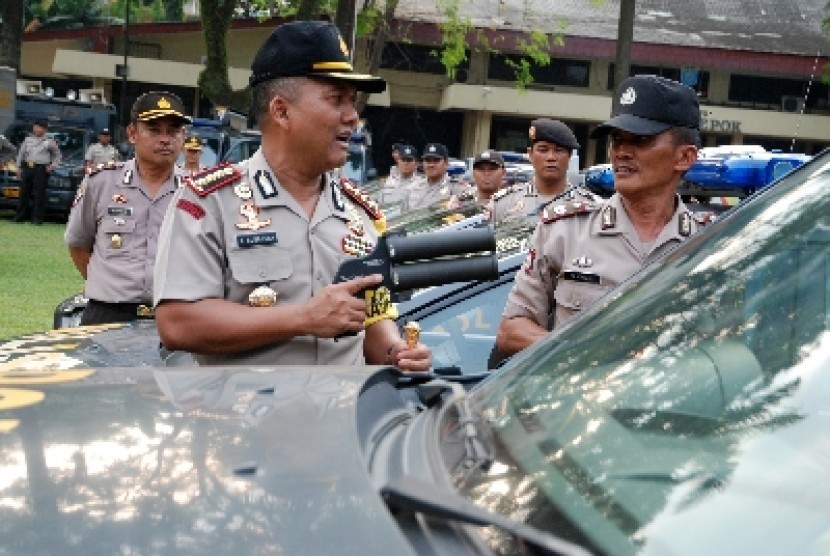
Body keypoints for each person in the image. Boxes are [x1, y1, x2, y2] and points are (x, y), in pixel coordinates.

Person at [153, 20, 432, 371]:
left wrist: (395, 352)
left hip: (340, 420)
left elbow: (372, 318)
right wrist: (302, 318)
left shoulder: (359, 212)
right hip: (244, 419)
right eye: (336, 100)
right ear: (281, 111)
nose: (352, 117)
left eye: (353, 102)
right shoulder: (208, 202)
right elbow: (177, 322)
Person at [496, 74, 711, 357]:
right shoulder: (565, 229)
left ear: (684, 157)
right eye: (617, 141)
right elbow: (511, 330)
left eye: (639, 140)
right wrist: (581, 353)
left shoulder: (711, 244)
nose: (621, 152)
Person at [64, 91, 190, 325]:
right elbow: (79, 244)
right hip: (107, 315)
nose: (165, 139)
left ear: (183, 136)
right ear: (132, 133)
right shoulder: (101, 182)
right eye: (154, 129)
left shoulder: (198, 191)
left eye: (173, 131)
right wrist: (107, 285)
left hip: (175, 316)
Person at [490, 118, 598, 225]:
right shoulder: (503, 203)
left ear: (569, 156)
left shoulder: (590, 206)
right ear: (530, 154)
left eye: (559, 150)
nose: (551, 157)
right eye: (543, 150)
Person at [14, 119, 61, 224]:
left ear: (44, 129)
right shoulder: (27, 140)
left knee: (39, 194)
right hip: (27, 167)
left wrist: (52, 166)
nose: (36, 129)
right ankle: (19, 217)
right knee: (24, 193)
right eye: (35, 127)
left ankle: (37, 219)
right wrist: (18, 168)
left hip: (41, 169)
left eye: (39, 127)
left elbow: (57, 156)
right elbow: (20, 155)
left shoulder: (49, 142)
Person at [404, 142, 471, 211]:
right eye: (427, 160)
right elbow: (403, 215)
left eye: (436, 160)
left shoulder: (458, 188)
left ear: (446, 164)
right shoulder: (413, 187)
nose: (431, 165)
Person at [377, 144, 420, 208]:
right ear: (398, 162)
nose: (405, 163)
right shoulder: (390, 181)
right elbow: (380, 204)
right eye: (403, 160)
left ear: (416, 164)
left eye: (409, 160)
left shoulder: (421, 184)